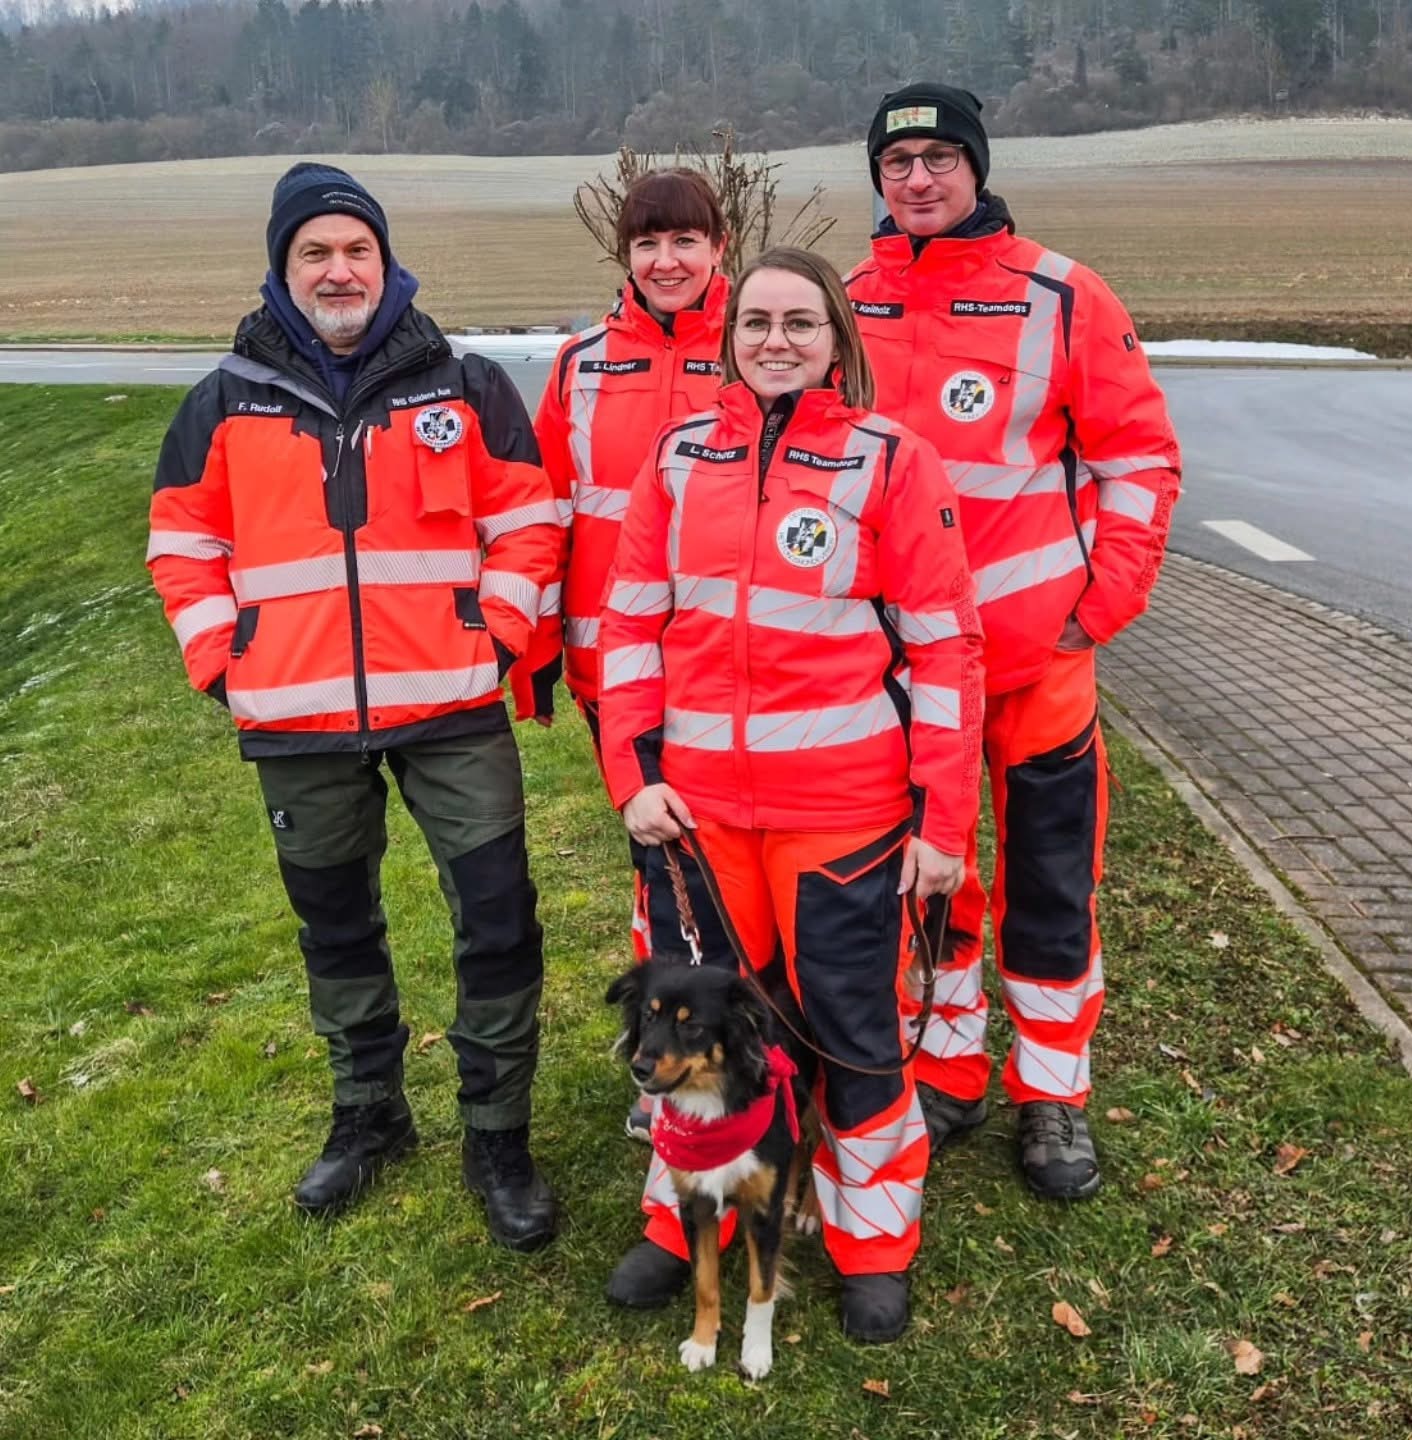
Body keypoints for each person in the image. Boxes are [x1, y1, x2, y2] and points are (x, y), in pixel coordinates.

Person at [146, 163, 565, 1251]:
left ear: (386, 261)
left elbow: (530, 524)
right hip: (294, 717)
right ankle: (370, 1112)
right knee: (335, 928)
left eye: (356, 250)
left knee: (498, 921)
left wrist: (497, 634)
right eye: (315, 253)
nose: (339, 271)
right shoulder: (222, 401)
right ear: (283, 270)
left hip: (454, 708)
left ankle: (497, 1136)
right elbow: (182, 546)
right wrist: (225, 661)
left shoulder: (465, 384)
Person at [596, 247, 986, 1342]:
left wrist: (943, 822)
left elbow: (946, 651)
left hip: (843, 820)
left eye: (800, 322)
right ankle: (684, 1220)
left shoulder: (891, 461)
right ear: (730, 337)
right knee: (698, 1028)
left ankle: (874, 1242)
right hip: (700, 818)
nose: (776, 341)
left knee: (854, 1034)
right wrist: (633, 777)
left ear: (836, 340)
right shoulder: (678, 457)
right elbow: (629, 624)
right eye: (757, 321)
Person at [847, 83, 1182, 1201]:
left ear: (977, 168)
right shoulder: (849, 305)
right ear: (878, 179)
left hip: (1039, 666)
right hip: (904, 674)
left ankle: (1053, 1092)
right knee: (929, 882)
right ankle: (949, 1067)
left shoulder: (1062, 294)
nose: (919, 180)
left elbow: (1139, 458)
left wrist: (1104, 603)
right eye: (898, 164)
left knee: (1049, 886)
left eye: (941, 158)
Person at [509, 168, 730, 1142]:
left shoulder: (761, 342)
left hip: (733, 665)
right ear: (625, 255)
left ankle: (740, 1043)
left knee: (729, 863)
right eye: (648, 243)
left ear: (718, 247)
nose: (666, 261)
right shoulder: (581, 364)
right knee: (660, 865)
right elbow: (545, 510)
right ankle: (667, 1064)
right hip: (617, 669)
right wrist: (537, 649)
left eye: (685, 241)